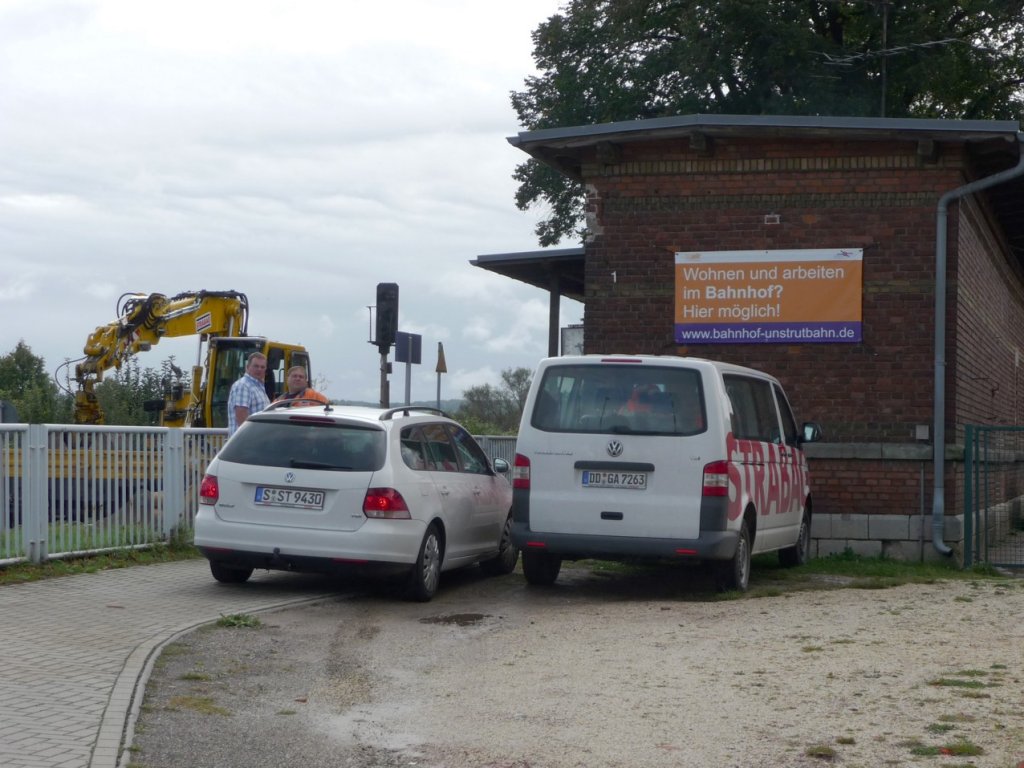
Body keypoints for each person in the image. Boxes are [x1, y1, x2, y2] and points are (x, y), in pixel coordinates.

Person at [227, 352, 270, 435]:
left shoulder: (258, 386)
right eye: (256, 366)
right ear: (247, 367)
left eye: (262, 367)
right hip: (246, 440)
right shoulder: (243, 386)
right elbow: (242, 419)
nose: (259, 369)